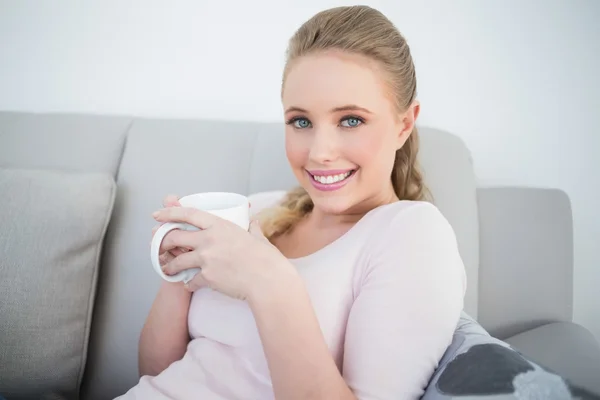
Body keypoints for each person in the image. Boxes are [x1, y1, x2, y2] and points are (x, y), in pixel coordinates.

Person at [117, 5, 466, 400]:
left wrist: (267, 281)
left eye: (350, 119)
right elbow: (157, 376)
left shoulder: (411, 234)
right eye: (301, 121)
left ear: (404, 124)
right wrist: (179, 272)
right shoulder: (257, 212)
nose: (320, 152)